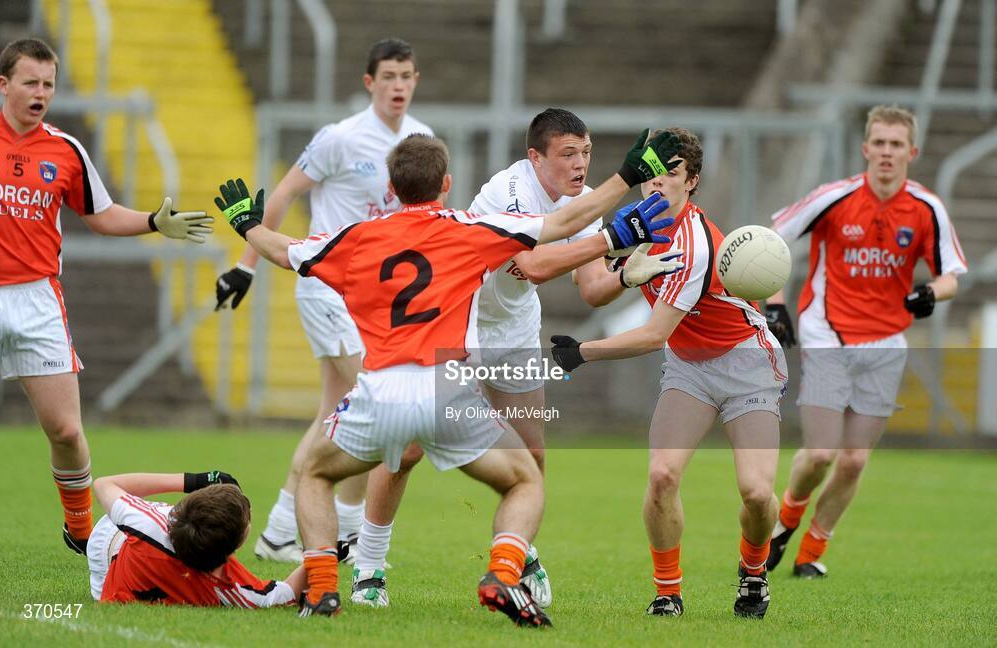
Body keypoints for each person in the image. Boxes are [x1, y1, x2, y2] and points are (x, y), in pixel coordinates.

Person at [213, 130, 680, 624]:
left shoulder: (352, 239)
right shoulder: (471, 228)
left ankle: (323, 590)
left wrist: (247, 226)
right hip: (447, 386)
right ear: (447, 184)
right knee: (525, 480)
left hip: (380, 390)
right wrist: (624, 189)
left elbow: (283, 250)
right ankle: (501, 575)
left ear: (390, 190)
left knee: (315, 474)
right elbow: (562, 222)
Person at [350, 109, 684, 609]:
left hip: (514, 332)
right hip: (457, 326)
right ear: (535, 158)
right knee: (409, 448)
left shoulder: (582, 203)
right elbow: (530, 263)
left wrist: (628, 276)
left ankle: (517, 556)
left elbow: (591, 288)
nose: (579, 164)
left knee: (532, 457)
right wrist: (614, 236)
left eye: (586, 152)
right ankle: (369, 568)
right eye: (568, 154)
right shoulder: (507, 192)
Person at [0, 39, 213, 554]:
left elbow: (101, 215)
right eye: (31, 83)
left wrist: (154, 221)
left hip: (38, 301)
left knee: (64, 429)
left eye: (49, 84)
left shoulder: (65, 150)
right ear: (4, 85)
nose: (41, 94)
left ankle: (79, 526)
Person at [549, 128, 787, 619]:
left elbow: (653, 335)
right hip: (689, 367)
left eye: (670, 175)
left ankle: (754, 572)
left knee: (758, 493)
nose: (656, 185)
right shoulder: (630, 224)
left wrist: (583, 352)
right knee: (661, 477)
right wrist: (620, 267)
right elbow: (592, 290)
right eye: (650, 175)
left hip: (746, 362)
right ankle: (667, 593)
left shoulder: (695, 244)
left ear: (692, 181)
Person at [212, 38, 433, 565]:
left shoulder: (421, 138)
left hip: (374, 298)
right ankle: (352, 534)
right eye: (389, 77)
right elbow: (282, 195)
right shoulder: (340, 139)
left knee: (335, 414)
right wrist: (247, 267)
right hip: (326, 288)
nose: (398, 85)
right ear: (369, 83)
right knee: (377, 402)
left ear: (415, 80)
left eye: (406, 75)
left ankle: (279, 532)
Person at [764, 105, 967, 578]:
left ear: (911, 152)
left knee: (853, 461)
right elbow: (770, 241)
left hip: (886, 343)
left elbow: (951, 276)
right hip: (827, 332)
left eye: (896, 145)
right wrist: (775, 304)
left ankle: (811, 554)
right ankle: (786, 521)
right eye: (879, 142)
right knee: (820, 453)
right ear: (865, 148)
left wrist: (928, 294)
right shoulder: (834, 197)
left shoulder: (925, 208)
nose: (886, 153)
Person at [87, 469, 304, 606]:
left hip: (108, 544)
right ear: (233, 547)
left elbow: (103, 484)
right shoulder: (228, 587)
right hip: (106, 581)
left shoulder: (152, 523)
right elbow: (284, 593)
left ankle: (79, 534)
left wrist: (192, 480)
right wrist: (324, 551)